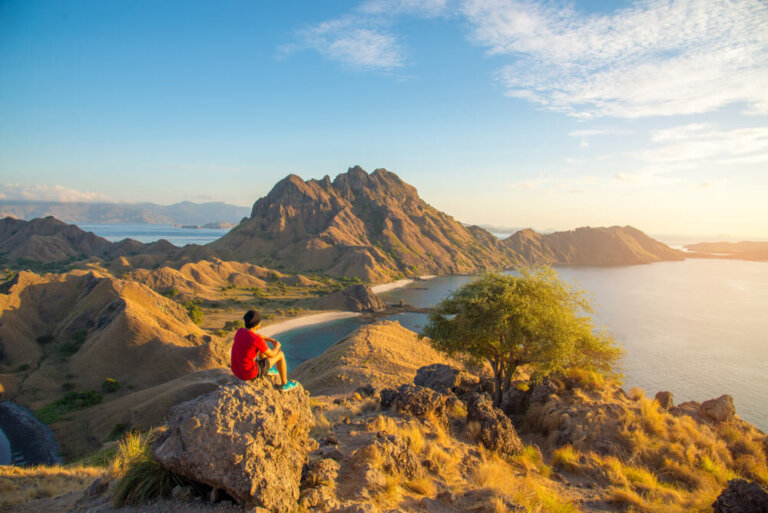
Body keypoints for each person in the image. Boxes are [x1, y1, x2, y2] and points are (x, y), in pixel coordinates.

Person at [230, 309, 298, 391]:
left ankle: (268, 369)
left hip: (236, 371)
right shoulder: (256, 340)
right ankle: (285, 384)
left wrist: (270, 340)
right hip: (249, 373)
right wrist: (277, 346)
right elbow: (272, 354)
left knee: (258, 348)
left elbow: (257, 336)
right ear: (257, 324)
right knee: (281, 355)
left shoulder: (240, 331)